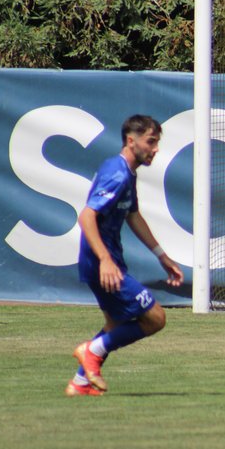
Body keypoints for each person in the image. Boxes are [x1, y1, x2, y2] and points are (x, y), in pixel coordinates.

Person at [66, 115, 184, 397]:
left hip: (101, 260)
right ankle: (90, 351)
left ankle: (80, 384)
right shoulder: (118, 174)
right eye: (151, 141)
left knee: (115, 325)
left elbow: (133, 215)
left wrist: (161, 256)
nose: (155, 149)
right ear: (131, 141)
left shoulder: (125, 171)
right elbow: (86, 216)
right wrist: (105, 260)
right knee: (155, 318)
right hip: (103, 262)